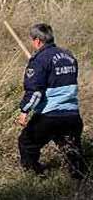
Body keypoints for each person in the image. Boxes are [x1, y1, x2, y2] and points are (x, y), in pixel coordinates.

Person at [17, 23, 85, 179]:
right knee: (71, 148)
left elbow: (35, 90)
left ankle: (35, 176)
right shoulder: (69, 56)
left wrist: (24, 110)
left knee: (27, 142)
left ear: (37, 41)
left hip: (49, 114)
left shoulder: (39, 60)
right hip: (72, 114)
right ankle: (80, 181)